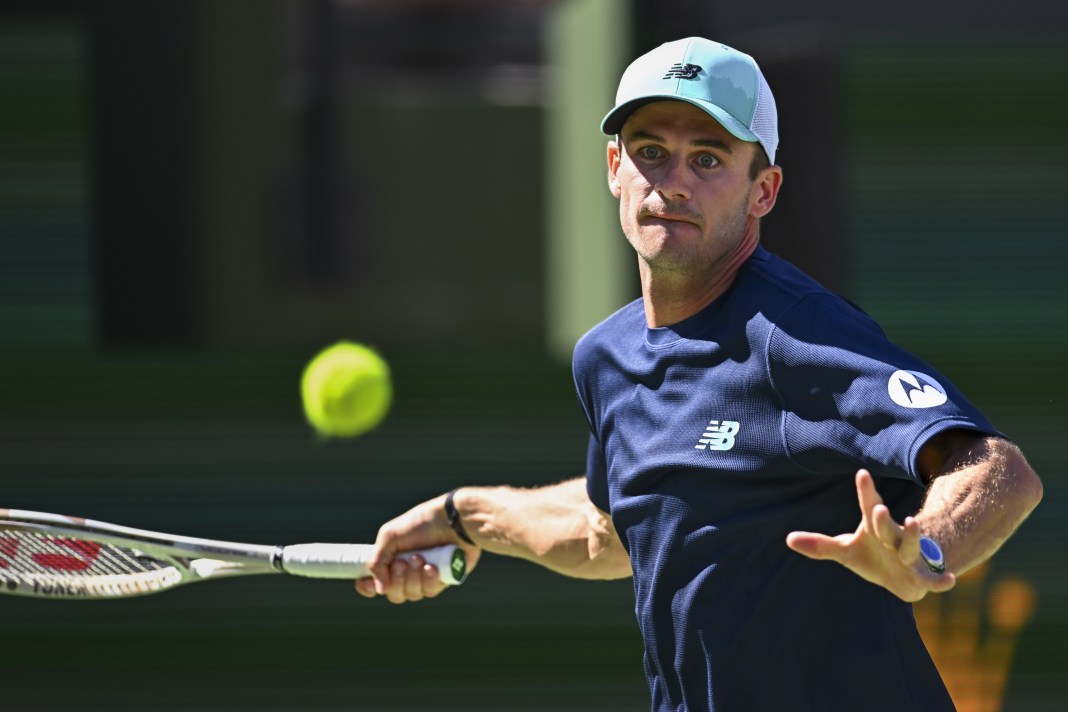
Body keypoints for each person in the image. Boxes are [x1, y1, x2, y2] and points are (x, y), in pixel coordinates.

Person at [355, 37, 1043, 711]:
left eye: (708, 158)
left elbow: (998, 470)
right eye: (651, 152)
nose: (672, 182)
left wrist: (924, 551)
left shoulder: (797, 334)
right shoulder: (607, 357)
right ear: (613, 168)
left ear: (763, 191)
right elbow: (606, 529)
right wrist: (467, 517)